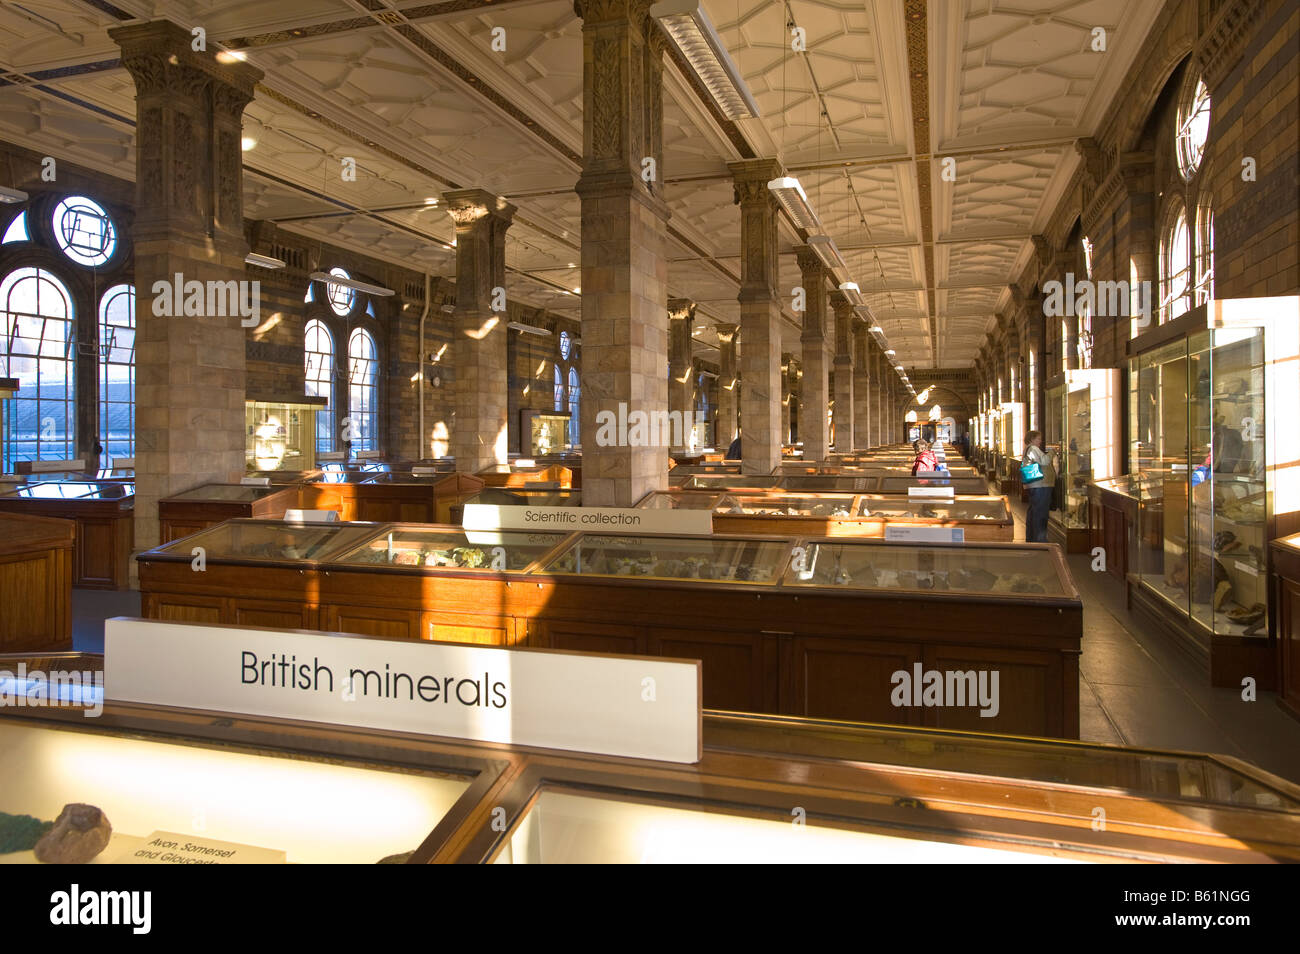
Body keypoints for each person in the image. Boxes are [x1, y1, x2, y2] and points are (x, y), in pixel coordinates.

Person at [1022, 430, 1057, 543]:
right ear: (1032, 439)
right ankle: (1040, 540)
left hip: (1036, 486)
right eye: (1038, 438)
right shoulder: (1033, 449)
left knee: (1034, 512)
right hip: (1040, 486)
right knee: (1040, 514)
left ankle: (1032, 538)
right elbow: (1044, 461)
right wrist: (1053, 452)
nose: (1040, 441)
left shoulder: (1029, 449)